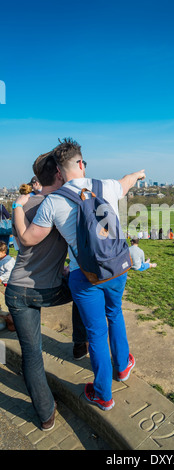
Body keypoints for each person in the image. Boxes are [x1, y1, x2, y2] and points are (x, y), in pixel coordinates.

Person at [13, 138, 145, 414]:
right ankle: (122, 367)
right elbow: (126, 182)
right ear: (81, 163)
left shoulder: (53, 203)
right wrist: (137, 174)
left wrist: (17, 207)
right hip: (117, 268)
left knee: (96, 333)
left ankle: (103, 395)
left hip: (85, 277)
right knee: (115, 314)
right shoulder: (104, 186)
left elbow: (27, 238)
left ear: (58, 172)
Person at [6, 151, 88, 431]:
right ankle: (80, 343)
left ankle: (45, 415)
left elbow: (25, 244)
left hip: (17, 290)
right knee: (81, 288)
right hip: (48, 289)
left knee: (32, 354)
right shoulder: (61, 204)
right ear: (58, 174)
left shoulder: (25, 204)